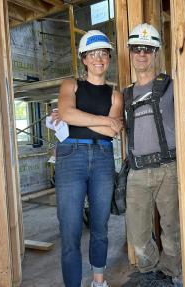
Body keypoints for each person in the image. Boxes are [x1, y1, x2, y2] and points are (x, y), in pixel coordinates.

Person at [123, 23, 185, 287]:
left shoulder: (172, 85)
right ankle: (149, 271)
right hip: (136, 172)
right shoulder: (124, 94)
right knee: (137, 233)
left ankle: (171, 274)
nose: (142, 54)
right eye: (137, 49)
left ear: (156, 52)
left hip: (168, 168)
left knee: (171, 230)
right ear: (130, 53)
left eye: (148, 49)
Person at [54, 30, 123, 287]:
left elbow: (113, 132)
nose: (98, 58)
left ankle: (98, 281)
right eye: (92, 54)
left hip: (103, 158)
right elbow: (67, 113)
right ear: (83, 59)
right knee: (70, 229)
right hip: (71, 156)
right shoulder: (70, 85)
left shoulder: (115, 95)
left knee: (100, 225)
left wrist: (78, 117)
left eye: (103, 53)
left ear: (108, 59)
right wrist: (105, 120)